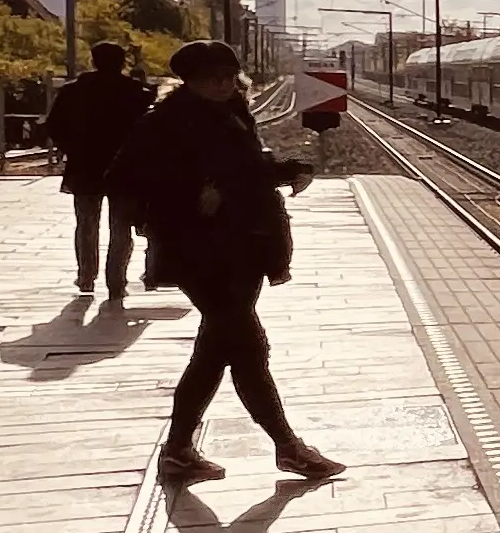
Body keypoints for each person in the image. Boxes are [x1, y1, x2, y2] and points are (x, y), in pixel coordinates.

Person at [108, 40, 340, 484]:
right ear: (189, 81)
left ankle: (178, 451)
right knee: (248, 347)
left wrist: (285, 171)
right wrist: (188, 201)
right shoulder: (165, 123)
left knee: (217, 349)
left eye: (228, 75)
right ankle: (288, 447)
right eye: (211, 76)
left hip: (245, 247)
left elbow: (241, 171)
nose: (222, 83)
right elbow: (120, 182)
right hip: (199, 251)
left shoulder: (233, 113)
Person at [41, 42, 156, 299]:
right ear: (122, 62)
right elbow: (149, 131)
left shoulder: (73, 91)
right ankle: (116, 280)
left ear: (93, 61)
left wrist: (71, 148)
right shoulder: (136, 92)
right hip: (124, 168)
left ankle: (86, 276)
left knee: (86, 224)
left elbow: (53, 125)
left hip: (84, 166)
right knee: (121, 227)